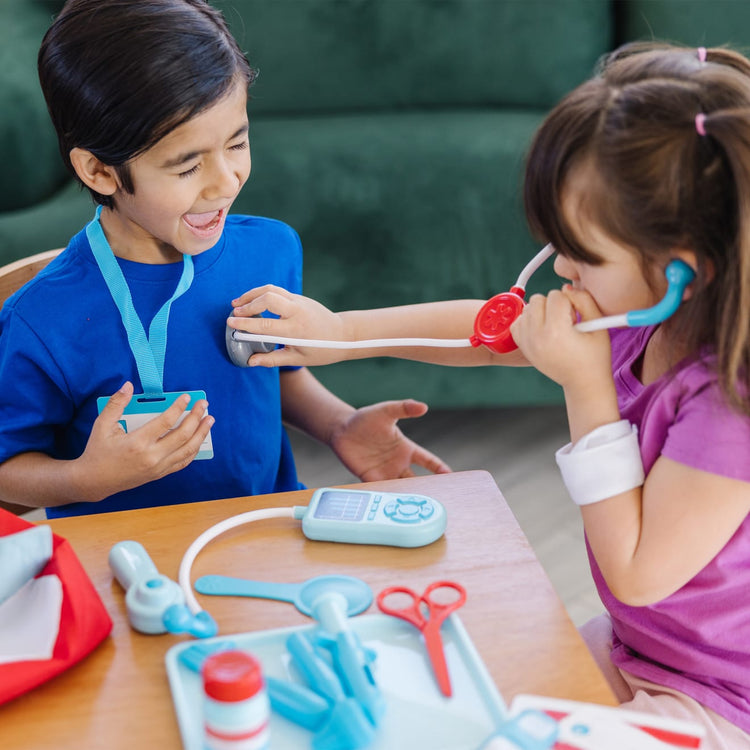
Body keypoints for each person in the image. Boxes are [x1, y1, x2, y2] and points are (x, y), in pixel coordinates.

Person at [228, 42, 750, 748]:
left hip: (717, 700)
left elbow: (636, 573)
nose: (561, 268)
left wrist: (586, 385)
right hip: (641, 653)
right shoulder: (639, 310)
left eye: (580, 252)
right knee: (453, 705)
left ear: (685, 272)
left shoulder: (731, 406)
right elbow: (489, 331)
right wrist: (343, 331)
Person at [0, 0, 449, 519]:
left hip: (265, 531)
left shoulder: (270, 250)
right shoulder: (42, 319)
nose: (226, 181)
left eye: (237, 143)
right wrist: (86, 479)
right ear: (100, 172)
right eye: (187, 165)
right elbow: (8, 467)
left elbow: (274, 370)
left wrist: (337, 424)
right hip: (122, 566)